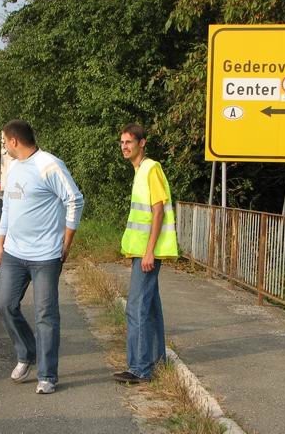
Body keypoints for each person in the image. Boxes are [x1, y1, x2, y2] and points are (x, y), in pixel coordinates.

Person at [0, 119, 84, 395]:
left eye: (4, 141)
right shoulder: (12, 167)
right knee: (4, 305)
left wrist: (66, 241)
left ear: (14, 141)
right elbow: (7, 206)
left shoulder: (49, 164)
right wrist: (0, 243)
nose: (4, 145)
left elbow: (75, 199)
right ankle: (27, 352)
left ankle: (47, 375)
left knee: (46, 314)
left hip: (45, 255)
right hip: (14, 253)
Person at [114, 123, 178, 384]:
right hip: (141, 251)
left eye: (129, 142)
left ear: (142, 143)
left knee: (136, 309)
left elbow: (158, 210)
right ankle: (156, 361)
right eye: (122, 143)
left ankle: (140, 368)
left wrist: (149, 251)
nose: (125, 147)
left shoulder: (151, 169)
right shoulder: (140, 171)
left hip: (148, 252)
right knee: (150, 308)